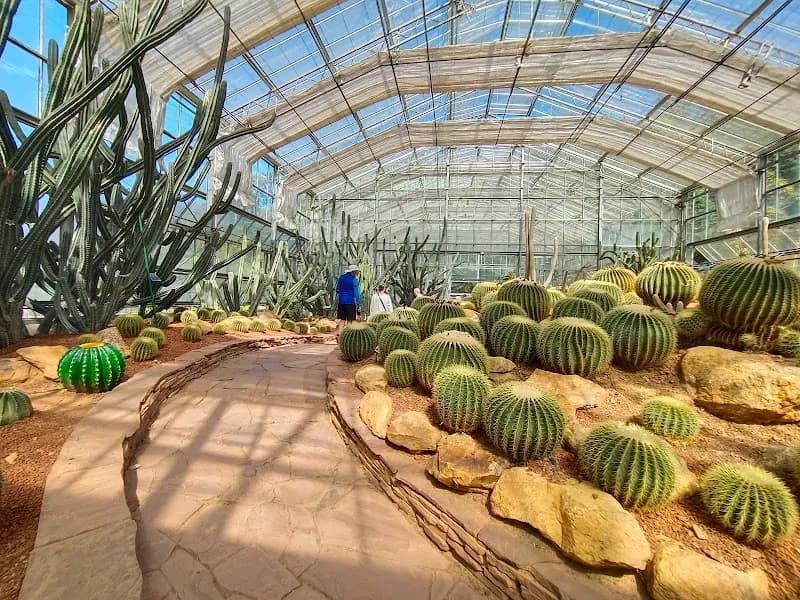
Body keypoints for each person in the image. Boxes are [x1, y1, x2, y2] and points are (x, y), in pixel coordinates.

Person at [336, 265, 361, 334]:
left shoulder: (341, 277)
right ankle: (348, 335)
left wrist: (342, 294)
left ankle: (340, 334)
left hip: (341, 302)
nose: (357, 273)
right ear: (353, 272)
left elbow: (337, 289)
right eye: (357, 271)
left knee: (342, 319)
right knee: (350, 320)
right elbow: (357, 293)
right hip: (350, 302)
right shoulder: (354, 280)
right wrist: (359, 304)